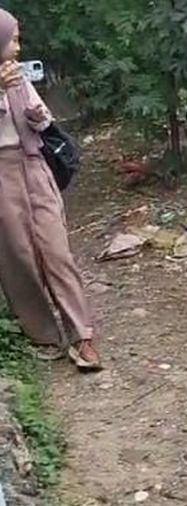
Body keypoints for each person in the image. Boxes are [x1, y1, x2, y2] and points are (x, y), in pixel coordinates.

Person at [0, 9, 101, 370]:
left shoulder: (19, 78)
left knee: (56, 251)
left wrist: (32, 110)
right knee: (18, 258)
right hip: (1, 174)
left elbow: (44, 122)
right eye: (12, 39)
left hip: (34, 165)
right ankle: (43, 334)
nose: (18, 45)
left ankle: (83, 336)